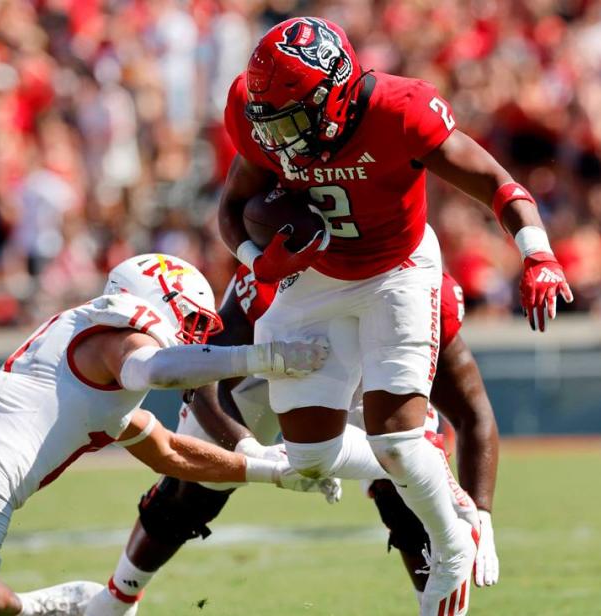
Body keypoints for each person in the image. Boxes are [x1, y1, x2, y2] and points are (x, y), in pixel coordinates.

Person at [218, 17, 570, 616]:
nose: (281, 139)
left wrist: (537, 253)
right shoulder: (262, 112)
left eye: (294, 120)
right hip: (317, 274)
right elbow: (231, 208)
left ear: (337, 90)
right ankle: (430, 470)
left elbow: (493, 181)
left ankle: (453, 535)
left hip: (396, 270)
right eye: (271, 123)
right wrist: (259, 260)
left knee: (398, 442)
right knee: (308, 457)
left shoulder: (401, 110)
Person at [0, 253, 332, 616]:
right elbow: (152, 369)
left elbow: (172, 454)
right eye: (191, 322)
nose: (194, 337)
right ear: (159, 300)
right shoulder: (122, 336)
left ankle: (20, 607)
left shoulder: (83, 374)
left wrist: (274, 470)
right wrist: (260, 357)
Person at [83, 267, 500, 616]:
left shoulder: (420, 286)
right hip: (269, 363)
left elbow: (472, 411)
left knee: (411, 487)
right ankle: (117, 600)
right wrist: (247, 447)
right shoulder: (273, 273)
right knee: (193, 488)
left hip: (368, 381)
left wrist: (483, 515)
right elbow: (203, 377)